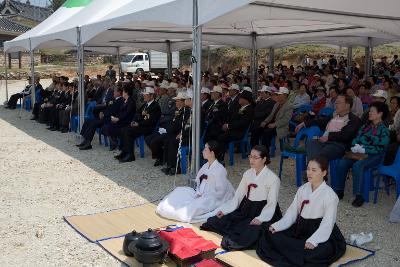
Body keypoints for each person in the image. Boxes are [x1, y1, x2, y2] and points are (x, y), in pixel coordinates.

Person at [256, 157, 346, 267]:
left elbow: (328, 223)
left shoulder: (330, 195)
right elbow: (292, 213)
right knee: (270, 234)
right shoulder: (303, 189)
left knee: (320, 251)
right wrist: (278, 226)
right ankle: (295, 250)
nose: (309, 173)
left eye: (314, 170)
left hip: (318, 230)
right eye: (308, 169)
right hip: (300, 227)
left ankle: (296, 250)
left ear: (324, 173)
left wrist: (314, 241)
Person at [201, 145, 282, 251]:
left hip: (264, 211)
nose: (251, 160)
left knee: (252, 231)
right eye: (250, 156)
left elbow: (271, 203)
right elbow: (238, 196)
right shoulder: (248, 174)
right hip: (247, 208)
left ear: (264, 159)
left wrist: (261, 218)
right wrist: (225, 210)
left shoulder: (273, 179)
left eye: (255, 157)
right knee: (215, 221)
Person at [156, 140, 235, 223]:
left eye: (205, 149)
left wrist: (205, 196)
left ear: (212, 153)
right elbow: (199, 182)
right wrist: (199, 193)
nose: (203, 151)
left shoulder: (220, 170)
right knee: (180, 191)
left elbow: (221, 192)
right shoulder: (205, 165)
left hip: (213, 198)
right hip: (201, 194)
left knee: (193, 207)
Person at [336, 102, 390, 206]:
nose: (369, 113)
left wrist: (365, 148)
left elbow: (381, 146)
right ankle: (339, 191)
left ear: (380, 114)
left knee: (358, 165)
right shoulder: (366, 126)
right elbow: (356, 139)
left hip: (375, 156)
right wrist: (357, 146)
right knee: (343, 162)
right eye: (370, 111)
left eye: (372, 111)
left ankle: (359, 195)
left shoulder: (384, 130)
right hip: (359, 153)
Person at [296, 95, 361, 161]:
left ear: (347, 105)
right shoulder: (334, 115)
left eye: (338, 102)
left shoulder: (353, 119)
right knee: (311, 142)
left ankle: (314, 169)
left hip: (338, 144)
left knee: (321, 153)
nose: (336, 105)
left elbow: (345, 135)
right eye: (336, 103)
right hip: (324, 141)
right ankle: (313, 169)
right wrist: (304, 123)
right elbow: (320, 121)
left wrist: (328, 137)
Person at [115, 87, 161, 162]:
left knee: (128, 131)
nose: (144, 96)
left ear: (152, 96)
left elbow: (151, 121)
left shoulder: (155, 106)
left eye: (146, 95)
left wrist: (138, 124)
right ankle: (125, 152)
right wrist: (133, 121)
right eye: (144, 95)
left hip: (148, 128)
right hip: (141, 125)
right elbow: (137, 114)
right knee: (123, 129)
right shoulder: (145, 105)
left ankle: (130, 155)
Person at [217, 88, 255, 162]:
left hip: (240, 132)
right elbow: (232, 117)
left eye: (241, 98)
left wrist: (228, 126)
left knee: (222, 137)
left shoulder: (249, 109)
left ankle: (220, 158)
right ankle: (218, 154)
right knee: (218, 133)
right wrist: (226, 124)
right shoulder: (240, 107)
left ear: (246, 100)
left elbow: (242, 123)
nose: (239, 99)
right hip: (233, 129)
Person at [260, 87, 293, 152]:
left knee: (267, 132)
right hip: (272, 123)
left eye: (280, 95)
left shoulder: (289, 106)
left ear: (285, 95)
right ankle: (260, 148)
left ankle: (265, 151)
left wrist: (275, 124)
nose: (278, 96)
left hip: (281, 126)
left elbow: (286, 120)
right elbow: (271, 115)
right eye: (278, 94)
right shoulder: (277, 104)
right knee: (259, 128)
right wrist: (265, 121)